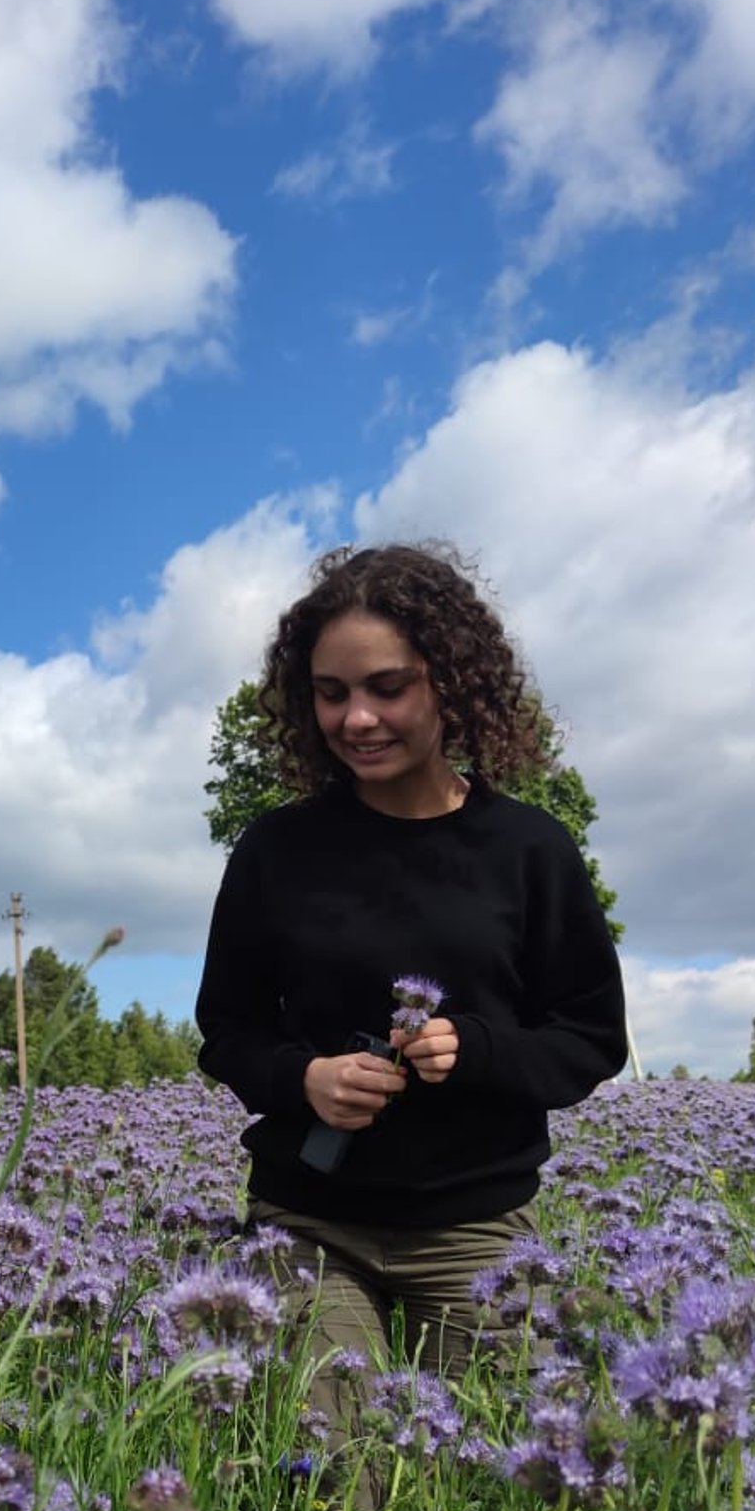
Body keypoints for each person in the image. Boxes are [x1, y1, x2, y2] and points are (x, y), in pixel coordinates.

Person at [195, 541, 628, 1445]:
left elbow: (590, 1039)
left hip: (477, 1230)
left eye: (387, 688)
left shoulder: (530, 851)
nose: (356, 718)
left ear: (450, 684)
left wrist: (476, 1049)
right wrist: (305, 1079)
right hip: (308, 1225)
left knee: (485, 1486)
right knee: (334, 1484)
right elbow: (227, 1030)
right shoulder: (276, 851)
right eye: (330, 693)